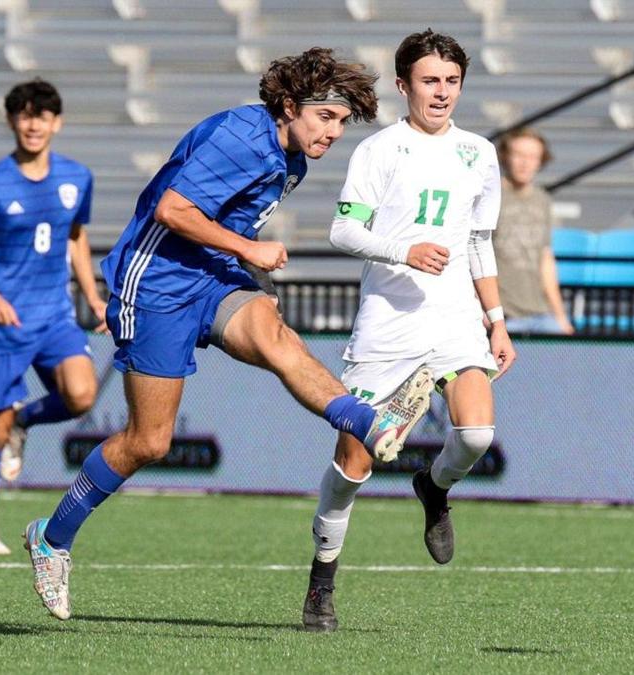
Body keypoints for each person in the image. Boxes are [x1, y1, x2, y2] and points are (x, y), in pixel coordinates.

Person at [22, 48, 434, 621]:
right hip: (156, 286)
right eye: (325, 118)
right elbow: (173, 210)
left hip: (212, 279)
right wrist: (251, 252)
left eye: (342, 122)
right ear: (289, 106)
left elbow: (233, 227)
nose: (334, 132)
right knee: (150, 442)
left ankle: (371, 422)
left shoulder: (293, 161)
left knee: (277, 340)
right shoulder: (242, 137)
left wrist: (255, 277)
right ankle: (53, 536)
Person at [299, 30, 517, 633]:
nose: (441, 92)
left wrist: (496, 321)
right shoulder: (380, 149)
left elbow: (479, 242)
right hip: (389, 322)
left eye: (450, 81)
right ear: (404, 86)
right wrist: (402, 251)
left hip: (455, 318)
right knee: (353, 460)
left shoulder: (479, 152)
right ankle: (322, 580)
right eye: (429, 81)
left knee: (475, 434)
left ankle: (434, 487)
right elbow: (344, 232)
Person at [0, 78, 104, 555]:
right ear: (12, 121)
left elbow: (74, 237)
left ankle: (24, 422)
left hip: (54, 315)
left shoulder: (76, 177)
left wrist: (93, 298)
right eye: (23, 114)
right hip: (4, 323)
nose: (32, 123)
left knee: (81, 395)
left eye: (42, 115)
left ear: (56, 122)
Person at [493, 127, 574, 335]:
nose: (525, 163)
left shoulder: (542, 200)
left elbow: (545, 259)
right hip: (503, 315)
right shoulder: (490, 196)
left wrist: (560, 315)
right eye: (518, 155)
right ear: (505, 157)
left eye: (532, 156)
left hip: (541, 314)